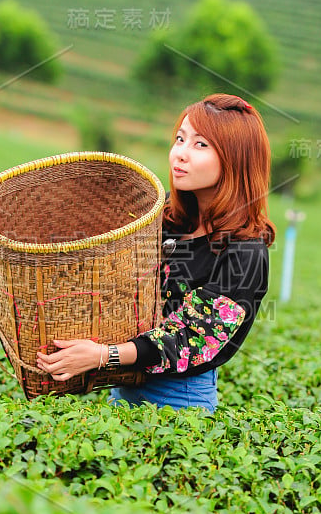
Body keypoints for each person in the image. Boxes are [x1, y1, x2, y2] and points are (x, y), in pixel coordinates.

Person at [37, 93, 276, 414]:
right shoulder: (162, 216)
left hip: (180, 400)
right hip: (123, 384)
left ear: (236, 158)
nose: (180, 153)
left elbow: (194, 337)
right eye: (180, 139)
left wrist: (103, 355)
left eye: (200, 145)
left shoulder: (246, 251)